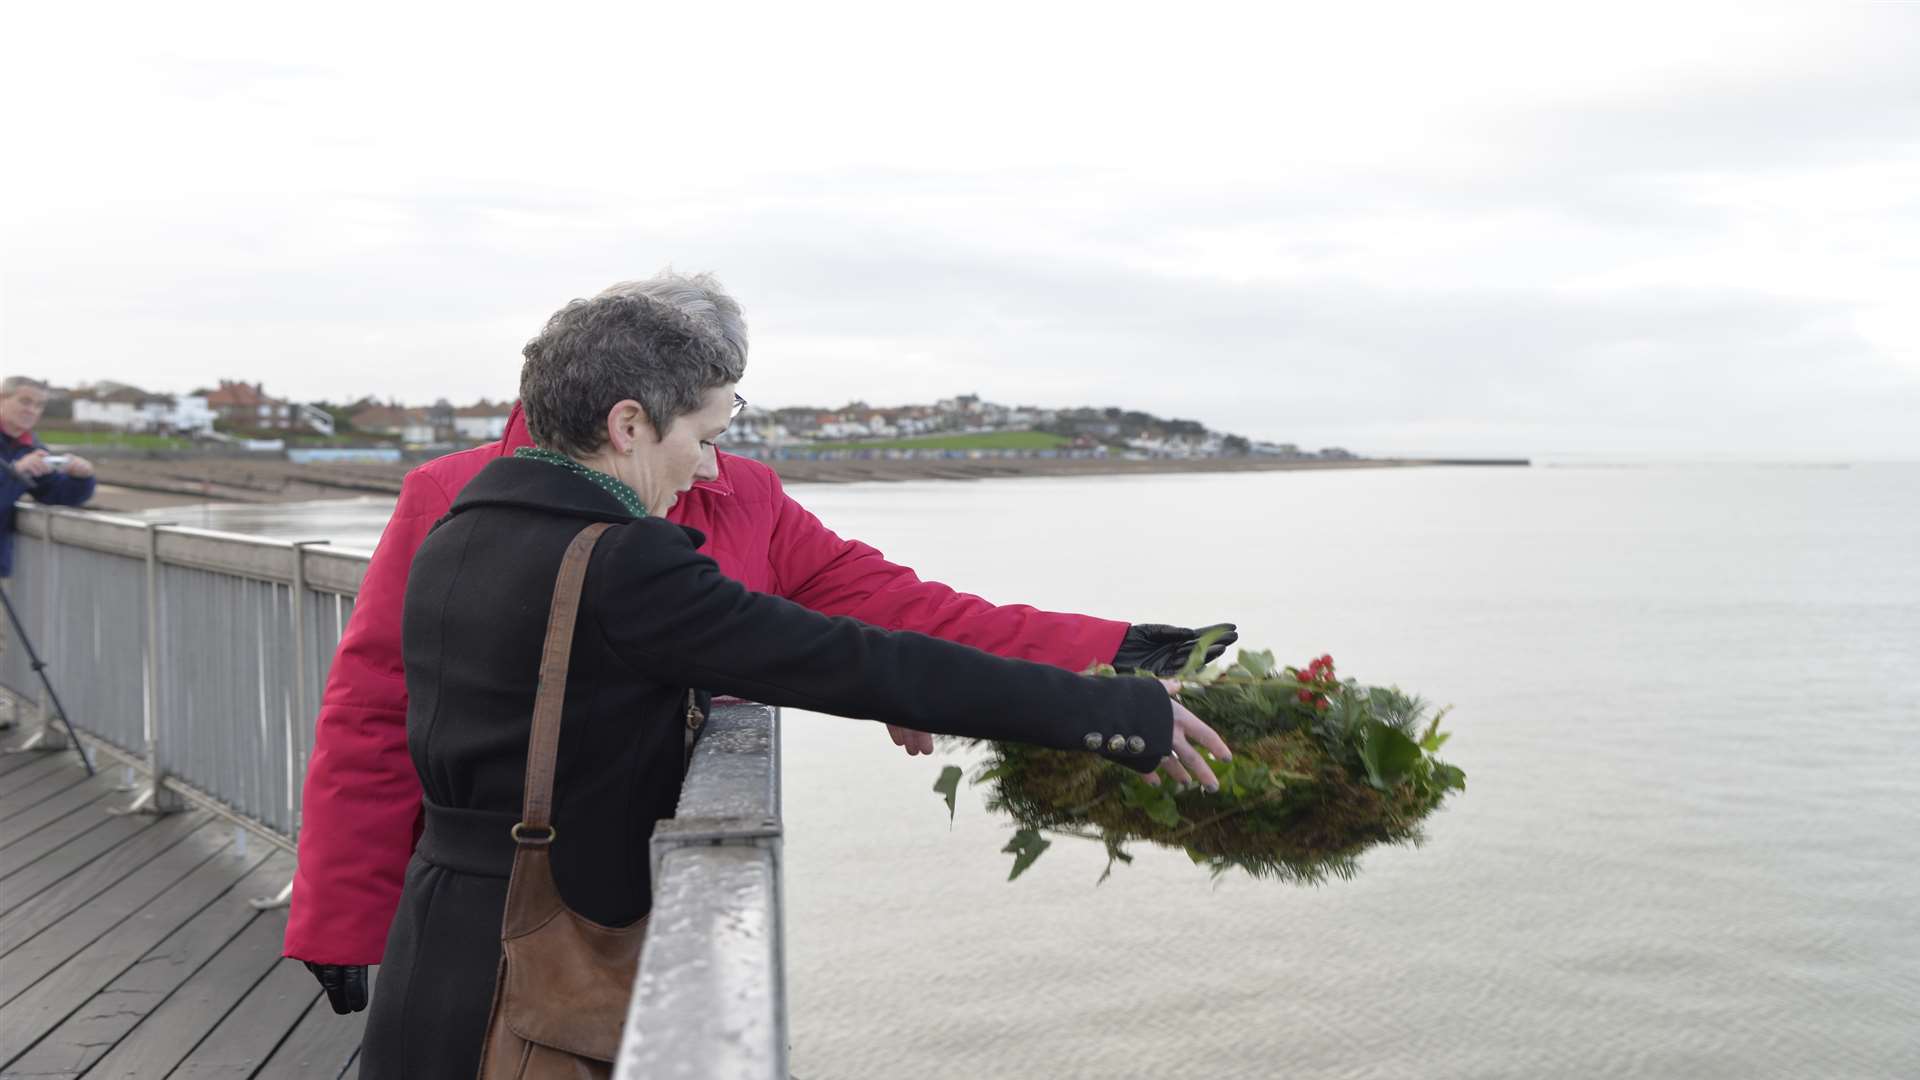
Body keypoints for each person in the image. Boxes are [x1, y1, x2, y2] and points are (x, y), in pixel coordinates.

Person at [289, 273, 1237, 1012]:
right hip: (546, 916)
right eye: (709, 420)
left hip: (479, 919)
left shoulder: (487, 514)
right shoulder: (554, 533)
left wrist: (1112, 646)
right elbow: (375, 710)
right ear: (632, 414)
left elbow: (890, 610)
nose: (716, 454)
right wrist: (340, 911)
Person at [0, 376, 95, 731]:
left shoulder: (27, 446)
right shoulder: (17, 454)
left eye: (39, 405)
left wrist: (82, 477)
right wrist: (14, 473)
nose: (32, 411)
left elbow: (54, 493)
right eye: (25, 401)